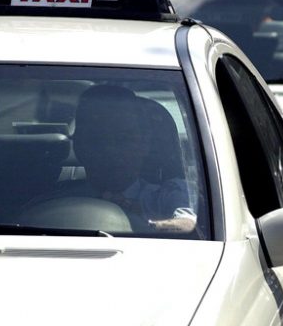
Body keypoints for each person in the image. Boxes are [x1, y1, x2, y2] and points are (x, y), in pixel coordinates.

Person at [68, 84, 197, 232]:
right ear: (79, 145)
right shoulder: (53, 202)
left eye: (123, 139)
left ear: (145, 143)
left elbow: (190, 224)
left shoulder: (167, 196)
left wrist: (139, 224)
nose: (111, 149)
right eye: (98, 139)